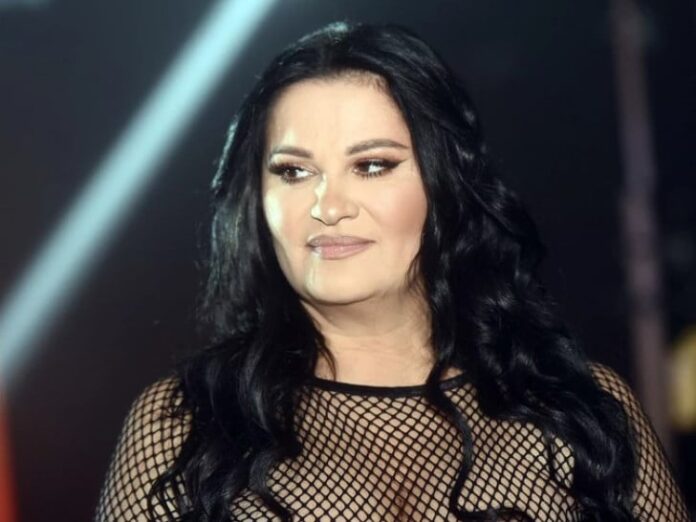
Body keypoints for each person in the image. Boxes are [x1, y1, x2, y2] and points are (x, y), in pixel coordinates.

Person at [94, 21, 690, 521]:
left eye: (372, 165)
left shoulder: (582, 411)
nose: (327, 206)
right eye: (294, 171)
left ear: (446, 184)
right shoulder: (185, 426)